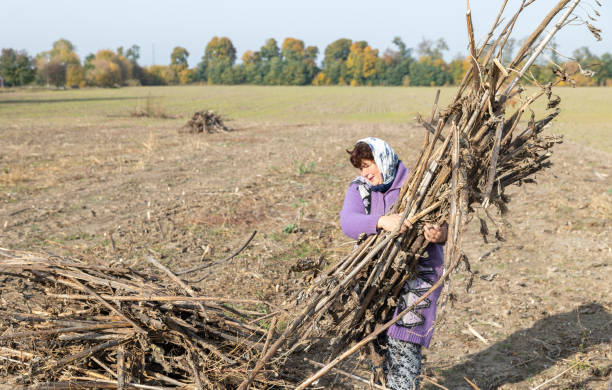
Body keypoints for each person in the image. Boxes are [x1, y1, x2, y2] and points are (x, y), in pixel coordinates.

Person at [339, 137, 447, 390]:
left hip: (418, 274)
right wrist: (381, 221)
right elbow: (348, 222)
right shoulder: (359, 189)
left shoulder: (419, 185)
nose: (365, 173)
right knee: (376, 340)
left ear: (384, 160)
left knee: (403, 344)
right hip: (375, 276)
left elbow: (446, 224)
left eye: (369, 165)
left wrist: (439, 234)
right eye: (361, 167)